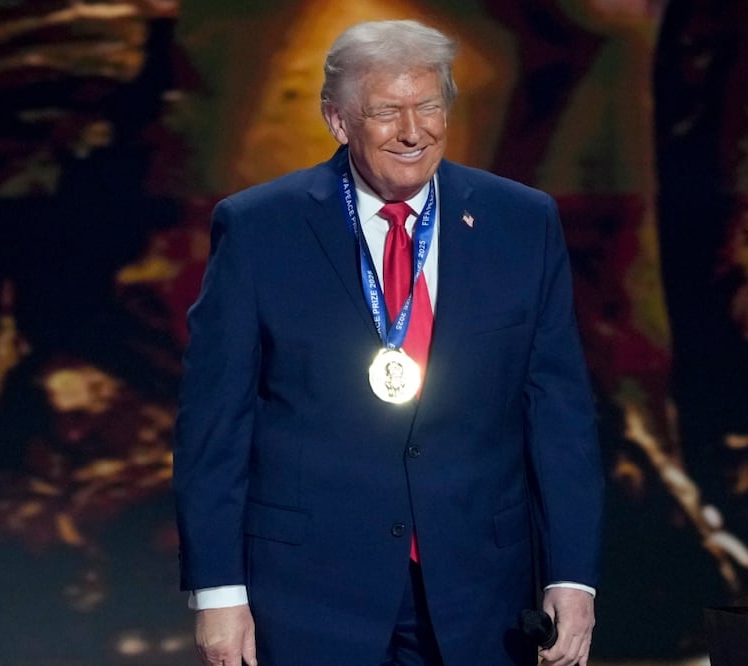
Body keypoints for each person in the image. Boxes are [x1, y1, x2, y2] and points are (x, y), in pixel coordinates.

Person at [174, 19, 603, 666]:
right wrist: (217, 591)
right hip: (306, 594)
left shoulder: (521, 222)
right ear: (338, 120)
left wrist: (570, 577)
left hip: (478, 593)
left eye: (429, 106)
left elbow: (559, 416)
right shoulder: (261, 228)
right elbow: (215, 425)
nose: (413, 131)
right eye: (386, 112)